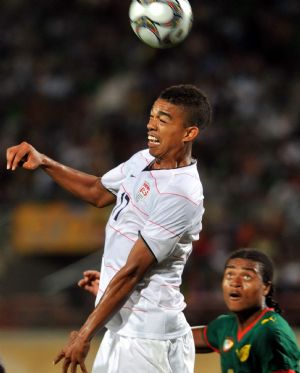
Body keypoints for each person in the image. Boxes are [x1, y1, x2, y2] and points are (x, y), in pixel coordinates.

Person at [6, 84, 212, 373]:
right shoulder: (143, 160)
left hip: (150, 339)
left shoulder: (181, 193)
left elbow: (132, 272)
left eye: (163, 119)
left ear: (189, 133)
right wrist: (43, 162)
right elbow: (97, 191)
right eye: (152, 116)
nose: (150, 124)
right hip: (122, 327)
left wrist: (83, 334)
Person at [192, 248, 300, 373]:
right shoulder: (226, 326)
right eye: (230, 274)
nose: (235, 282)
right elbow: (181, 338)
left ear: (266, 288)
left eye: (247, 276)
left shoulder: (270, 333)